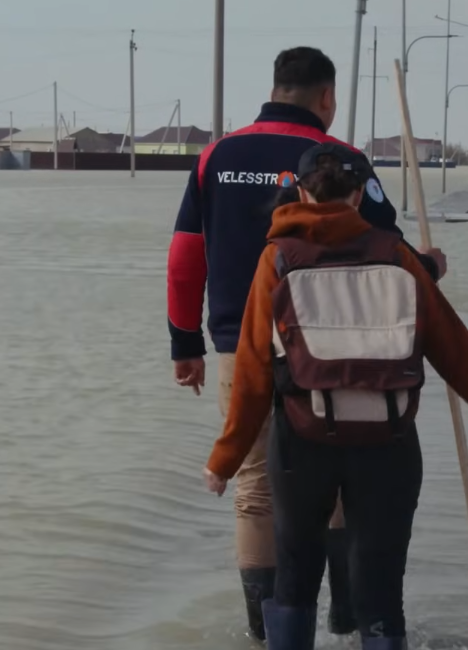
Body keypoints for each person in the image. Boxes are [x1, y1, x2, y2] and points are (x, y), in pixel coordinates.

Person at [167, 46, 446, 640]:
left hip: (236, 349)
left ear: (273, 88)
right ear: (327, 98)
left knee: (255, 488)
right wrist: (431, 266)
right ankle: (345, 619)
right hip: (333, 345)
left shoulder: (218, 155)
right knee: (340, 475)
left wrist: (183, 342)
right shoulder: (341, 159)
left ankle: (262, 632)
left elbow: (185, 255)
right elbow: (385, 249)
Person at [202, 143, 468, 650]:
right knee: (381, 588)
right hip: (388, 447)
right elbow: (451, 345)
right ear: (358, 196)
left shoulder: (278, 259)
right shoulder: (394, 255)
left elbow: (253, 371)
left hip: (301, 447)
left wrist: (225, 459)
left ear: (300, 191)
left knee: (295, 580)